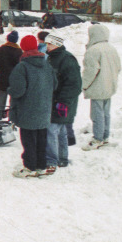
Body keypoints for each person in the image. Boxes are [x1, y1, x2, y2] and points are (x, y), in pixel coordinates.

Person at [6, 34, 58, 177]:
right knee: (41, 138)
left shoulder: (22, 66)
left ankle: (29, 167)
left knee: (28, 139)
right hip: (44, 109)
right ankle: (41, 165)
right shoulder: (47, 64)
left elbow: (18, 91)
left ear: (23, 48)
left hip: (27, 110)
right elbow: (55, 85)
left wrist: (10, 89)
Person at [38, 31, 82, 170]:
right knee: (61, 130)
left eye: (49, 44)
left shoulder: (67, 59)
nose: (46, 46)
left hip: (62, 103)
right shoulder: (52, 58)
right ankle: (62, 158)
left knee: (51, 130)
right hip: (54, 101)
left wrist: (63, 102)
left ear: (56, 44)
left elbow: (74, 84)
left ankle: (51, 160)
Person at [80, 24, 122, 151]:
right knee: (106, 113)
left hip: (97, 87)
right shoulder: (111, 48)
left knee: (97, 114)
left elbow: (90, 72)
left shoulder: (93, 50)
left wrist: (83, 85)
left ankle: (97, 138)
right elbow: (118, 67)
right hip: (109, 85)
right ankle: (104, 136)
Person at [0, 30, 22, 121]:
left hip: (2, 79)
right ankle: (11, 120)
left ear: (7, 39)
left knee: (1, 100)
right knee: (12, 102)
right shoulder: (19, 52)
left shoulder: (0, 50)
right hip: (15, 81)